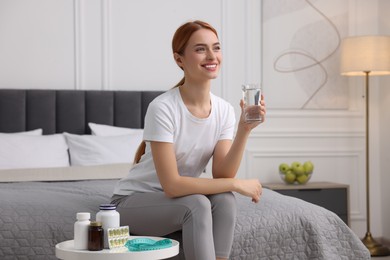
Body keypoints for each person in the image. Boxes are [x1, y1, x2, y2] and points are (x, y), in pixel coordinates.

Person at [111, 20, 266, 260]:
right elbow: (172, 185)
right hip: (130, 204)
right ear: (179, 59)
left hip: (178, 202)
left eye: (216, 47)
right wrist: (238, 184)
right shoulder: (163, 108)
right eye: (200, 49)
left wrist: (244, 130)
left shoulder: (224, 110)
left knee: (224, 199)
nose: (211, 55)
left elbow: (222, 175)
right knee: (198, 204)